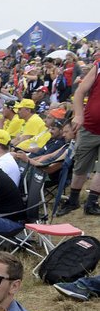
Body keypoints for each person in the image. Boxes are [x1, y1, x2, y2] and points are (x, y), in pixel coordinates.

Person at [60, 59, 100, 215]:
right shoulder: (98, 66)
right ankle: (73, 201)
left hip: (90, 125)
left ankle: (91, 203)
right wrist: (78, 115)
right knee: (80, 165)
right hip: (89, 125)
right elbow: (79, 92)